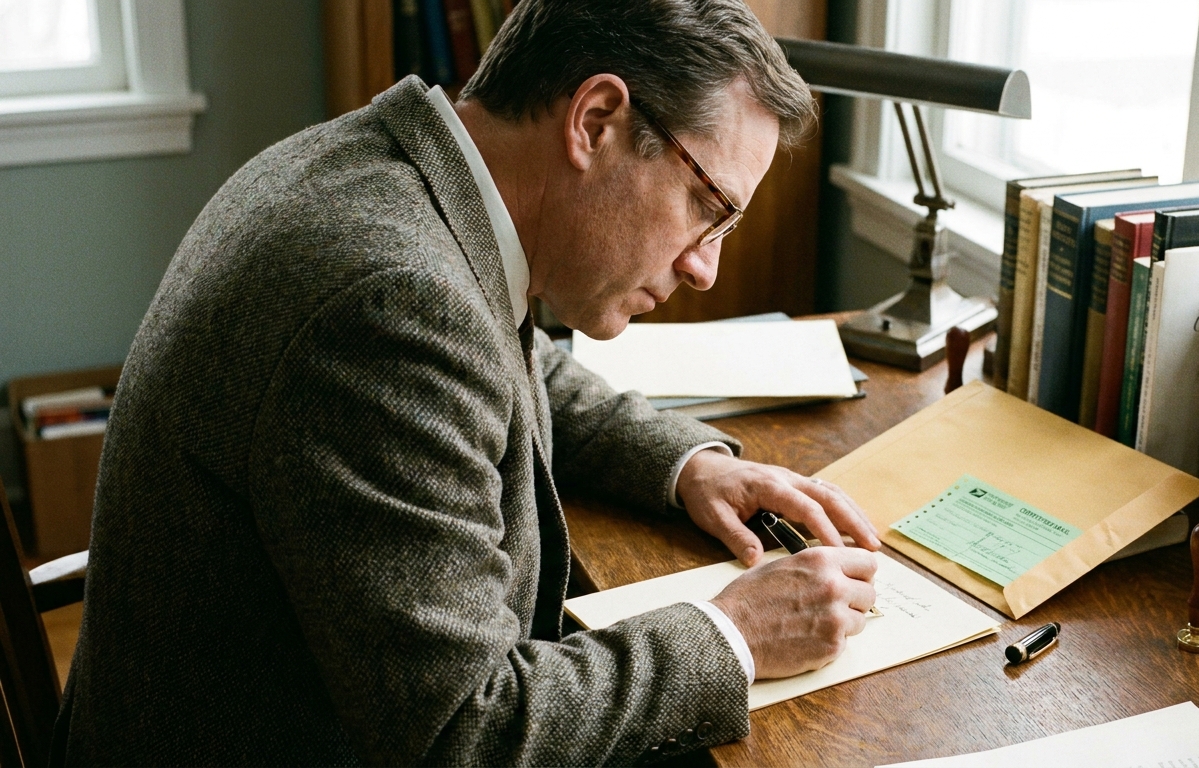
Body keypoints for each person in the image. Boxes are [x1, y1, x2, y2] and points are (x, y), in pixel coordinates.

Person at [56, 0, 882, 764]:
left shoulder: (395, 176)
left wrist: (690, 467)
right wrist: (733, 633)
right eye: (710, 208)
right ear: (596, 120)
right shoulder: (389, 301)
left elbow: (504, 354)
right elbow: (467, 729)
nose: (706, 267)